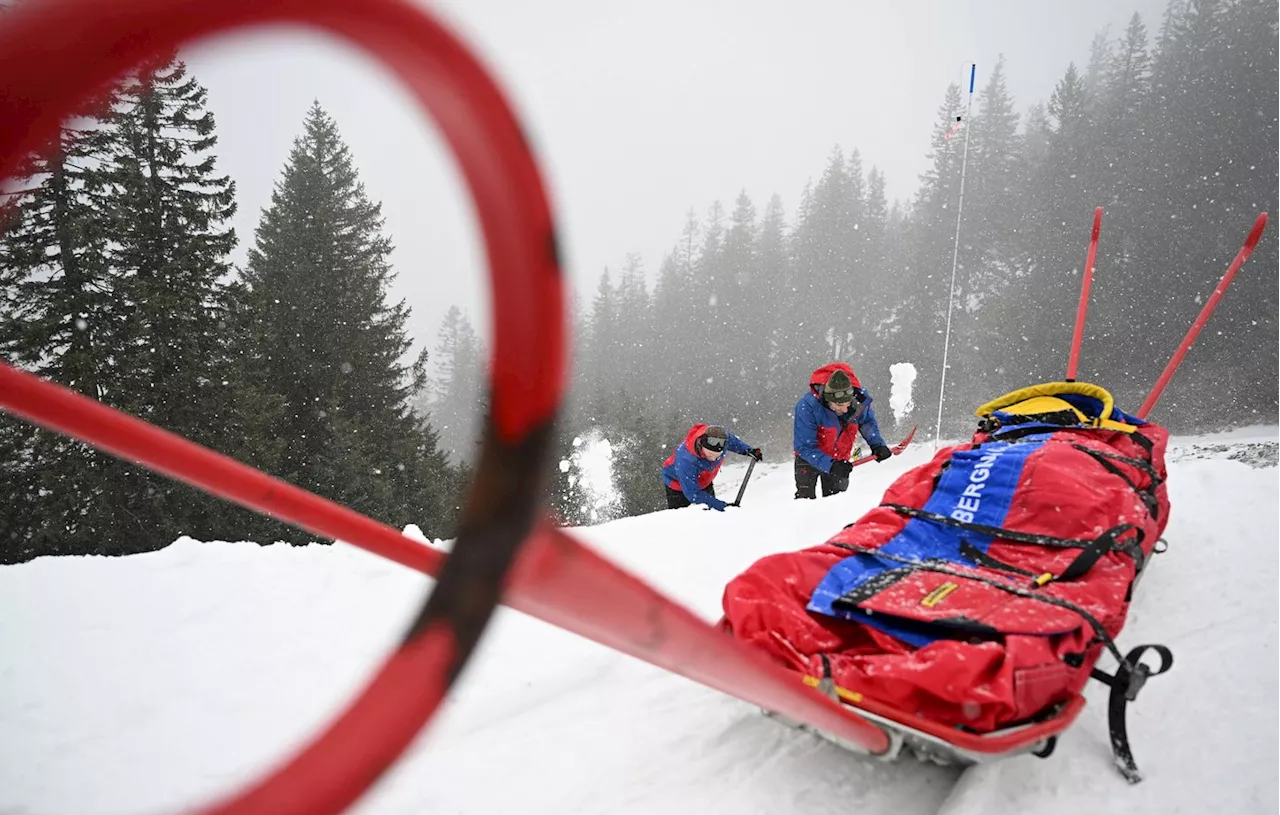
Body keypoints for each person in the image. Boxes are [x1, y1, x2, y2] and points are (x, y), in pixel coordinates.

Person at [793, 362, 892, 499]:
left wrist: (877, 444)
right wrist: (830, 465)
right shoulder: (807, 406)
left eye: (847, 404)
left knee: (837, 504)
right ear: (827, 400)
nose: (845, 410)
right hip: (809, 459)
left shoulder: (859, 401)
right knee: (804, 503)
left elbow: (866, 422)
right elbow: (805, 446)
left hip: (840, 459)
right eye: (839, 405)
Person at [660, 423, 762, 511]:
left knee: (710, 516)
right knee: (684, 521)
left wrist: (749, 451)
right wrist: (722, 506)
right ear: (701, 445)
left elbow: (733, 442)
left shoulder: (720, 438)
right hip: (678, 485)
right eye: (709, 455)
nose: (713, 459)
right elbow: (694, 494)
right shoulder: (686, 460)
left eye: (717, 455)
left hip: (704, 481)